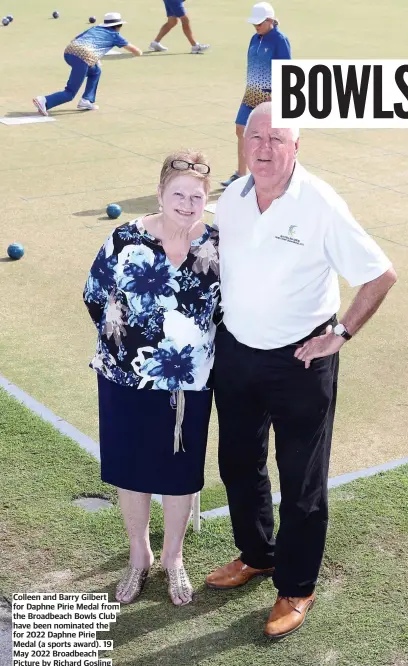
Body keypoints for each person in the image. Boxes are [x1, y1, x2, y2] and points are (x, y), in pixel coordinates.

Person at [207, 102, 397, 638]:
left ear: (296, 148)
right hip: (238, 354)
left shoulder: (320, 203)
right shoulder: (235, 198)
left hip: (300, 361)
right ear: (244, 142)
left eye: (277, 139)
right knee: (238, 464)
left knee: (301, 481)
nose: (264, 148)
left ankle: (295, 586)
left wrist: (340, 334)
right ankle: (257, 554)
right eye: (255, 138)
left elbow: (380, 275)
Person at [83, 151, 219, 606]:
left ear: (206, 200)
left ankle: (172, 558)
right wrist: (128, 347)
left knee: (179, 473)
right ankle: (139, 555)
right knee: (132, 467)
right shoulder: (123, 238)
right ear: (160, 193)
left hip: (190, 383)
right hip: (125, 378)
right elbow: (94, 295)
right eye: (177, 193)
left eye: (195, 196)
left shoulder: (220, 243)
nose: (186, 203)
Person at [221, 2, 291, 188]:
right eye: (255, 23)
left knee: (267, 137)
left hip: (269, 95)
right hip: (252, 92)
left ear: (270, 20)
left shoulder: (279, 39)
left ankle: (268, 175)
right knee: (240, 128)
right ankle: (241, 174)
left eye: (260, 23)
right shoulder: (254, 38)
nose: (256, 26)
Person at [33, 12, 142, 116]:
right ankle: (45, 100)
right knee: (70, 93)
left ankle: (86, 100)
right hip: (83, 58)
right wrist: (139, 53)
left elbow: (76, 39)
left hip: (68, 52)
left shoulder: (95, 28)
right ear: (118, 26)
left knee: (95, 71)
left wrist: (94, 57)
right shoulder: (115, 35)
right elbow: (136, 51)